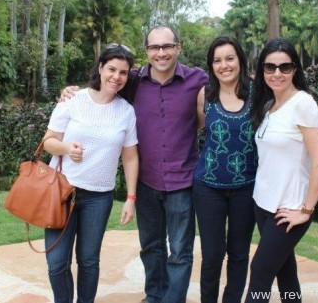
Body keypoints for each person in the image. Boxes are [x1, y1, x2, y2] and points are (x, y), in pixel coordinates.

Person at [61, 26, 209, 303]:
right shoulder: (134, 81)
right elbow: (104, 87)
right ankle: (154, 295)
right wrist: (70, 91)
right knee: (151, 246)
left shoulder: (197, 79)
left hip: (183, 179)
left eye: (167, 46)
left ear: (179, 47)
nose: (161, 53)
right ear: (147, 51)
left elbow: (226, 94)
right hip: (147, 180)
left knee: (180, 250)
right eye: (154, 47)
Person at [42, 43, 139, 303]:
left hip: (99, 197)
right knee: (57, 262)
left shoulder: (126, 112)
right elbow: (49, 141)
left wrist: (131, 198)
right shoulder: (73, 99)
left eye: (123, 72)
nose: (116, 77)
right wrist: (65, 148)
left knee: (88, 261)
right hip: (61, 192)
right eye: (111, 69)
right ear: (100, 68)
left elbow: (130, 157)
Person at [244, 38, 318, 303]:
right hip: (264, 204)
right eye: (270, 67)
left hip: (289, 209)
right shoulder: (269, 105)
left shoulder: (303, 103)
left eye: (285, 67)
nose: (277, 73)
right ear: (262, 70)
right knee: (286, 273)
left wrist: (305, 210)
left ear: (295, 69)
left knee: (259, 271)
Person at [193, 36, 257, 303]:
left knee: (239, 254)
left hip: (248, 186)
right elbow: (195, 129)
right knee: (212, 255)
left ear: (240, 60)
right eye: (217, 60)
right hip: (208, 186)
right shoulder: (204, 94)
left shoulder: (259, 92)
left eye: (230, 58)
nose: (224, 65)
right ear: (211, 65)